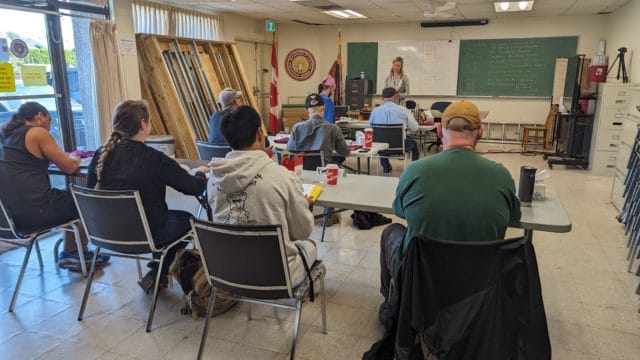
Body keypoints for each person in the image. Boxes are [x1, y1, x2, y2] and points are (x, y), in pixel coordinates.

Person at [378, 100, 522, 327]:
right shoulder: (501, 175)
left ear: (438, 129)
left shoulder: (415, 170)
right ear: (481, 131)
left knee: (391, 232)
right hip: (478, 280)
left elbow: (401, 212)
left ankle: (394, 307)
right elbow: (514, 217)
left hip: (423, 275)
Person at [87, 100, 208, 293]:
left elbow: (89, 191)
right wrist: (201, 173)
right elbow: (193, 188)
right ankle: (158, 272)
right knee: (188, 220)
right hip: (147, 234)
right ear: (144, 124)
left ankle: (157, 273)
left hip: (106, 234)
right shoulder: (153, 158)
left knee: (157, 218)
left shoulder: (101, 155)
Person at [207, 106, 316, 287]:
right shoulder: (282, 177)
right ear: (259, 133)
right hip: (277, 276)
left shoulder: (213, 180)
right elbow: (303, 232)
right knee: (309, 244)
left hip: (229, 272)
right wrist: (301, 205)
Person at [0, 102, 109, 271]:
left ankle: (71, 251)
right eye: (49, 121)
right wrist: (75, 157)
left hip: (9, 217)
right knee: (84, 199)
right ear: (39, 116)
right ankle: (72, 253)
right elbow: (70, 167)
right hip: (36, 212)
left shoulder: (6, 134)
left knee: (66, 197)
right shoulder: (37, 133)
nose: (50, 127)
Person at [287, 93, 350, 166]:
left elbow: (290, 151)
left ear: (306, 110)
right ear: (324, 108)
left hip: (301, 171)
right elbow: (345, 152)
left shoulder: (296, 128)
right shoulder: (333, 128)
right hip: (323, 172)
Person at [368, 87, 419, 173]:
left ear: (382, 98)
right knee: (414, 144)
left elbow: (369, 128)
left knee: (382, 139)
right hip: (399, 145)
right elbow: (415, 128)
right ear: (395, 97)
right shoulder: (404, 110)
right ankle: (414, 169)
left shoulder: (375, 111)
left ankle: (386, 167)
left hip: (380, 146)